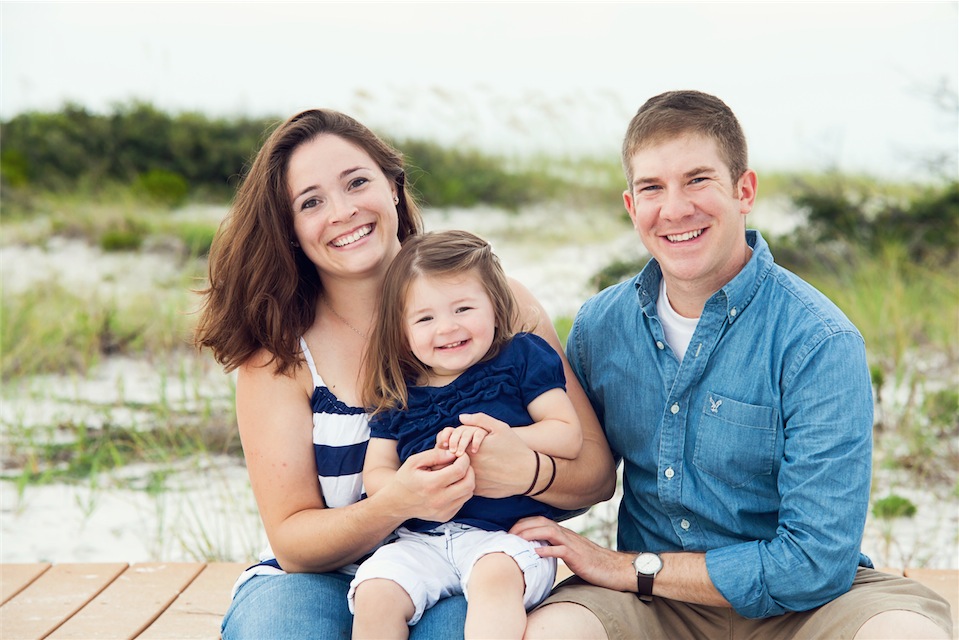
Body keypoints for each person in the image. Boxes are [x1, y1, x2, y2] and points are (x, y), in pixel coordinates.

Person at [511, 90, 954, 639]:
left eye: (698, 180)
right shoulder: (601, 325)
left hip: (800, 607)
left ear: (744, 190)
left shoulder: (819, 340)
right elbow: (578, 473)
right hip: (653, 607)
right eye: (652, 188)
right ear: (631, 207)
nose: (674, 209)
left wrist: (630, 568)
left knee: (906, 635)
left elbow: (815, 562)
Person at [192, 108, 616, 640]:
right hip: (318, 576)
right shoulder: (280, 352)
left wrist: (524, 469)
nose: (343, 211)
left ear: (394, 187)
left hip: (474, 561)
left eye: (357, 182)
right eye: (312, 202)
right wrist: (397, 503)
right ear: (292, 229)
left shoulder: (495, 307)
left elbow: (597, 475)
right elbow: (293, 543)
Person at [349, 230, 583, 639]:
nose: (446, 328)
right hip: (421, 539)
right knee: (376, 591)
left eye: (463, 308)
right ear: (401, 330)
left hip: (506, 537)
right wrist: (408, 486)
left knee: (495, 578)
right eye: (425, 318)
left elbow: (567, 435)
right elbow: (377, 472)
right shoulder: (398, 387)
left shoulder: (521, 357)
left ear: (495, 306)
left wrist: (506, 439)